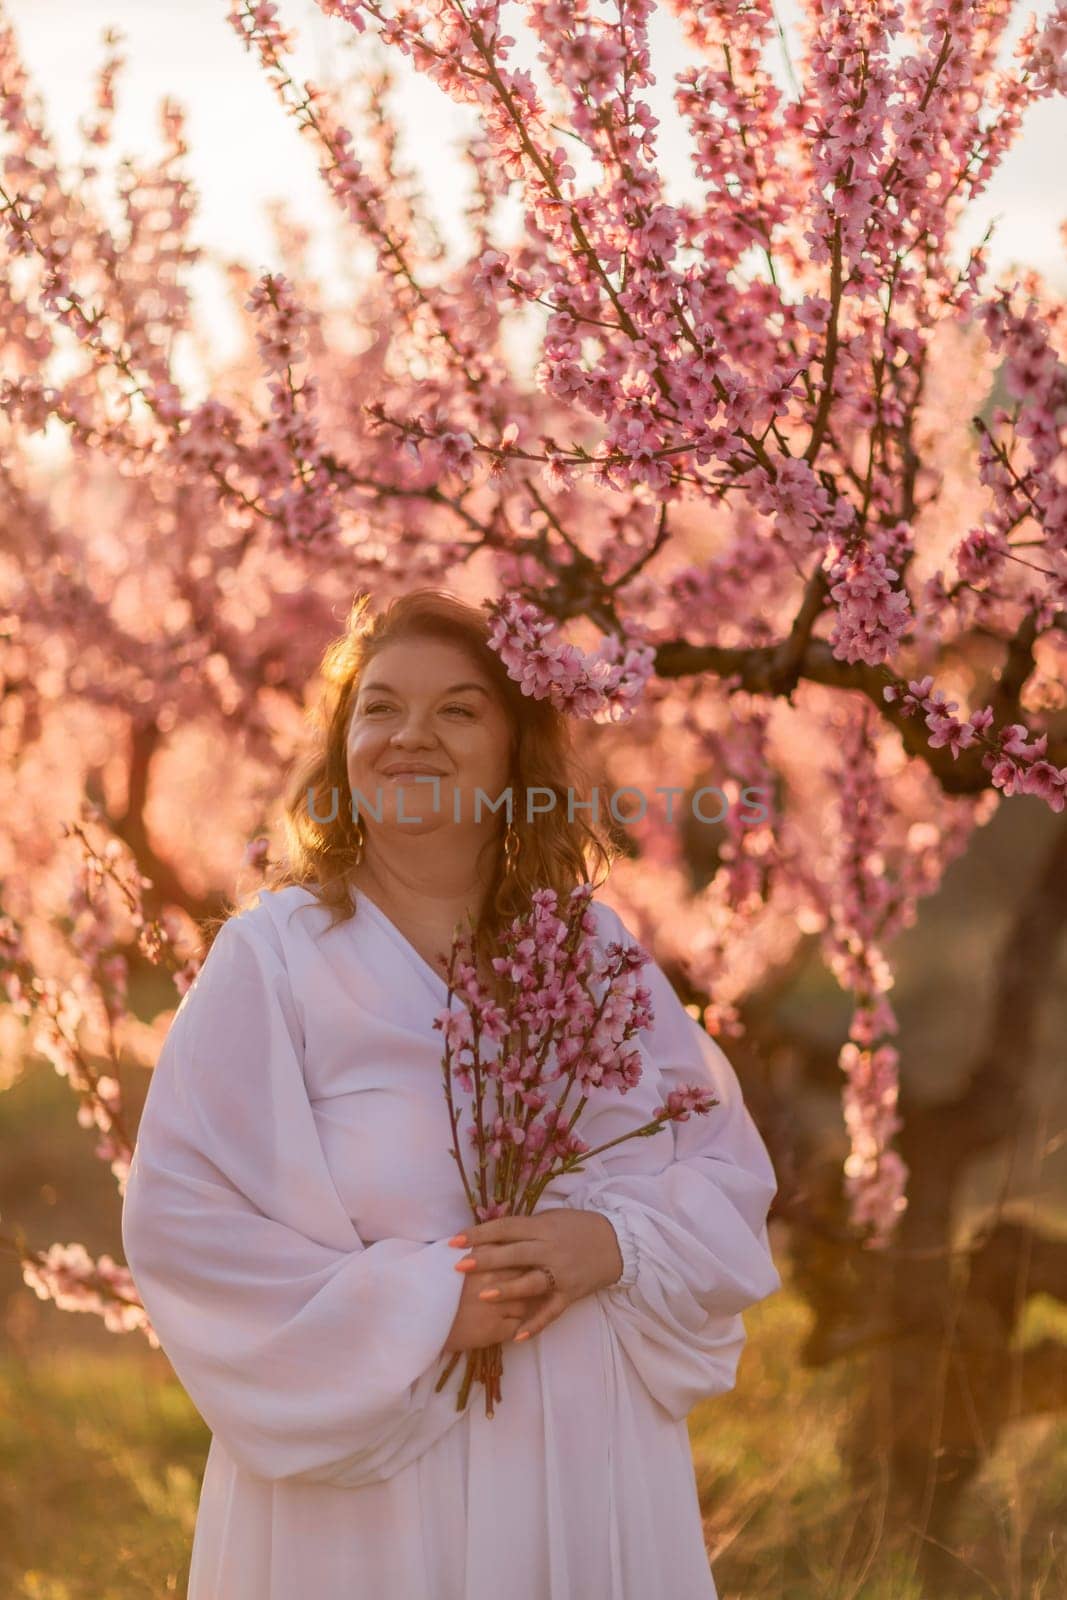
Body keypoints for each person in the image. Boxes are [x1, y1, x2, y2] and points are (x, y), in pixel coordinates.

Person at [121, 588, 783, 1600]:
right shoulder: (274, 957)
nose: (409, 737)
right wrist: (427, 1305)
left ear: (516, 749)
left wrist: (608, 1242)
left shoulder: (587, 952)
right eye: (379, 708)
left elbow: (722, 1170)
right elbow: (182, 1220)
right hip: (367, 1488)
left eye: (457, 710)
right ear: (343, 742)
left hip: (577, 1465)